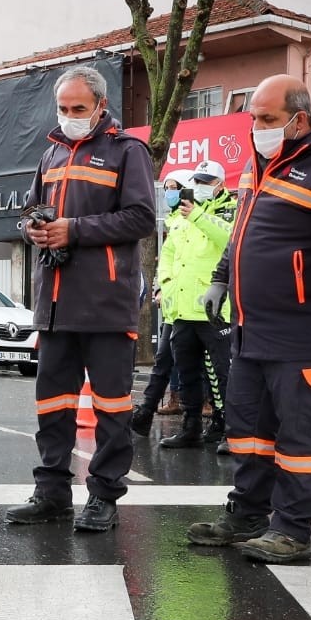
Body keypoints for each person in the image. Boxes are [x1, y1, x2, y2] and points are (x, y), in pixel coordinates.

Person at [188, 74, 311, 563]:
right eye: (253, 118)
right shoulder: (259, 164)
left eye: (268, 119)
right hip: (251, 330)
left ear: (301, 118)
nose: (257, 128)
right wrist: (222, 276)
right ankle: (248, 513)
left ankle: (292, 529)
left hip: (302, 334)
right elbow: (242, 232)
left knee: (300, 439)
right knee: (248, 433)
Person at [6, 66, 157, 533]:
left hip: (106, 304)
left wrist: (73, 229)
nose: (69, 116)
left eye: (78, 109)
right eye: (63, 109)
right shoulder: (50, 153)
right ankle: (51, 493)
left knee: (111, 410)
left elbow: (140, 218)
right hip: (54, 304)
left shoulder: (127, 151)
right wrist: (31, 228)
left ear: (100, 107)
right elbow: (32, 210)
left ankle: (104, 497)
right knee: (52, 405)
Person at [138, 160, 236, 452]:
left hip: (215, 310)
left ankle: (232, 430)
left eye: (208, 182)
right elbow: (168, 253)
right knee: (187, 371)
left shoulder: (227, 210)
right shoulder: (180, 216)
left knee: (224, 373)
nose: (202, 187)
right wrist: (165, 283)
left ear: (220, 184)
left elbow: (230, 238)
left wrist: (198, 216)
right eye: (199, 181)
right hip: (181, 309)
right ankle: (191, 428)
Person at [133, 171, 191, 433]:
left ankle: (203, 416)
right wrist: (160, 289)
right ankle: (146, 411)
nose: (169, 193)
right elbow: (166, 262)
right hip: (173, 306)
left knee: (197, 365)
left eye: (174, 188)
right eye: (167, 188)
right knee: (163, 361)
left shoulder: (200, 221)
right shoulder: (174, 222)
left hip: (199, 308)